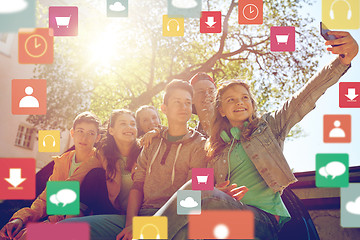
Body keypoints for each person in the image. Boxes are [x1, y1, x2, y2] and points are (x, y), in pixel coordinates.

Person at [152, 31, 359, 239]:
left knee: (201, 194)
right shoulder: (212, 145)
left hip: (265, 221)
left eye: (244, 98)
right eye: (230, 100)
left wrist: (340, 63)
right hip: (230, 217)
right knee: (189, 226)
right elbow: (199, 183)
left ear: (252, 104)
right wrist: (217, 189)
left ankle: (149, 233)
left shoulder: (269, 127)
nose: (239, 102)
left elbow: (304, 97)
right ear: (221, 109)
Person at [0, 112, 101, 240]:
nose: (84, 137)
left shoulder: (99, 161)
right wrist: (20, 218)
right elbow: (47, 197)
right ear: (72, 133)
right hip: (57, 220)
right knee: (8, 235)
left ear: (97, 138)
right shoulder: (62, 161)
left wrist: (46, 226)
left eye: (91, 133)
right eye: (80, 131)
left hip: (83, 226)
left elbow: (66, 194)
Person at [190, 72, 217, 137]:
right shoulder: (192, 138)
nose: (207, 95)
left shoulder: (233, 126)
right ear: (192, 99)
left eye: (211, 91)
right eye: (201, 92)